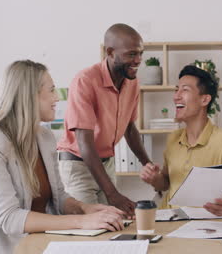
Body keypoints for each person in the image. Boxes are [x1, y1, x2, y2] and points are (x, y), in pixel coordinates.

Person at [0, 60, 125, 254]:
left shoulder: (44, 137)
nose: (57, 98)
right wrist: (81, 221)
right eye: (51, 90)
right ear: (30, 95)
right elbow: (9, 218)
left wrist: (85, 208)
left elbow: (59, 197)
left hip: (41, 246)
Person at [57, 23, 158, 218]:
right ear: (110, 52)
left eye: (141, 54)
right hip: (78, 165)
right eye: (131, 54)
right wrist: (113, 194)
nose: (138, 60)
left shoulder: (132, 82)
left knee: (111, 224)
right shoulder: (85, 80)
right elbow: (84, 143)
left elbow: (130, 129)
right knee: (88, 229)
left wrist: (147, 163)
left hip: (106, 164)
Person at [140, 65, 222, 216]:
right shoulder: (173, 138)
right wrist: (154, 178)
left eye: (184, 90)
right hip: (167, 219)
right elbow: (166, 183)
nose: (176, 96)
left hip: (201, 225)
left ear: (204, 99)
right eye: (176, 89)